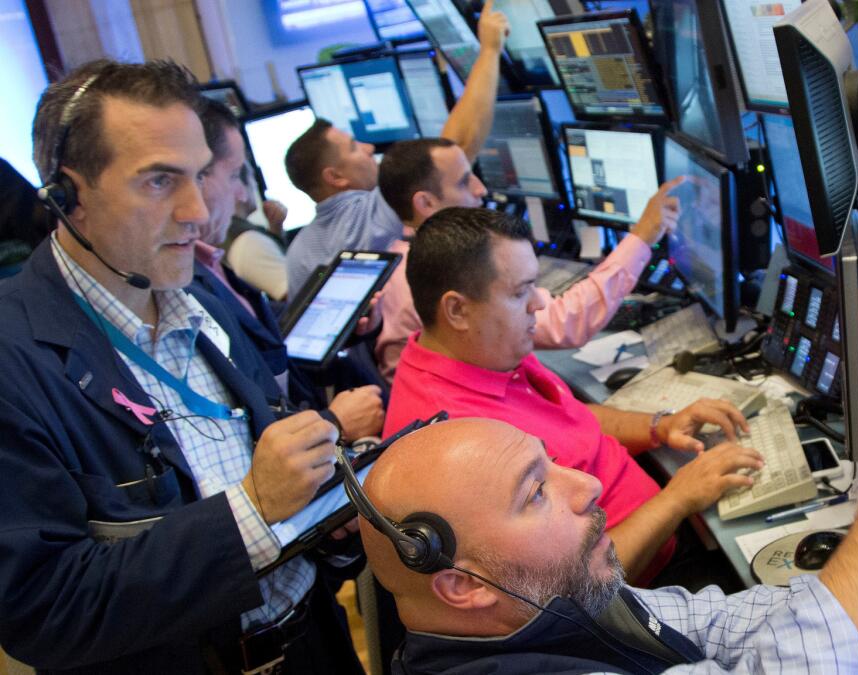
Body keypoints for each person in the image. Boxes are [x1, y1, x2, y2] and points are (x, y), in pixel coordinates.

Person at [359, 248, 858, 674]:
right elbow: (814, 661)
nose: (584, 484)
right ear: (459, 583)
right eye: (535, 493)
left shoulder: (552, 600)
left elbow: (735, 625)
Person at [0, 59, 362, 673]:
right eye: (161, 182)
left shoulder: (202, 292)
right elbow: (42, 609)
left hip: (313, 642)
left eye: (199, 176)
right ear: (69, 196)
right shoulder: (14, 359)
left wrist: (329, 513)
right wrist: (253, 508)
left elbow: (276, 434)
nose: (198, 210)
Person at [383, 207, 763, 581]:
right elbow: (574, 587)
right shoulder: (458, 443)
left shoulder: (484, 351)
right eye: (520, 293)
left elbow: (570, 415)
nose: (540, 303)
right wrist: (678, 499)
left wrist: (660, 426)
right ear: (457, 310)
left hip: (660, 530)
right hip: (640, 587)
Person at [372, 134, 686, 379]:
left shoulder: (401, 257)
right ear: (425, 203)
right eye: (465, 181)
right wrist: (643, 236)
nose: (482, 189)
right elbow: (566, 324)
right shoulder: (431, 274)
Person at [283, 0, 510, 297]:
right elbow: (453, 151)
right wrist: (490, 51)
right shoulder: (360, 223)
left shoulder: (300, 249)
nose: (368, 148)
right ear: (335, 177)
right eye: (353, 148)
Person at [193, 95, 384, 441]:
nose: (241, 193)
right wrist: (332, 422)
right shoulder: (191, 279)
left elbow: (272, 359)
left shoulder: (213, 265)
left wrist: (345, 330)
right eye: (236, 174)